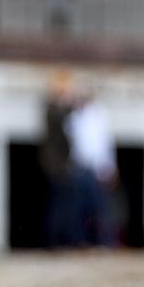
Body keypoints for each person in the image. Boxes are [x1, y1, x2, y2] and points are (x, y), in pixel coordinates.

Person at [68, 85, 119, 247]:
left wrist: (109, 167)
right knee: (79, 208)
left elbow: (105, 143)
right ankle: (80, 241)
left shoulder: (99, 116)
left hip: (97, 169)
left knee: (99, 208)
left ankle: (104, 241)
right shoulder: (74, 117)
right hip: (80, 168)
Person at [40, 72, 83, 249]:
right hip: (56, 166)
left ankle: (65, 238)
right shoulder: (51, 109)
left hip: (63, 165)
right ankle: (56, 240)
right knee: (59, 205)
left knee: (66, 204)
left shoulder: (57, 109)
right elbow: (60, 117)